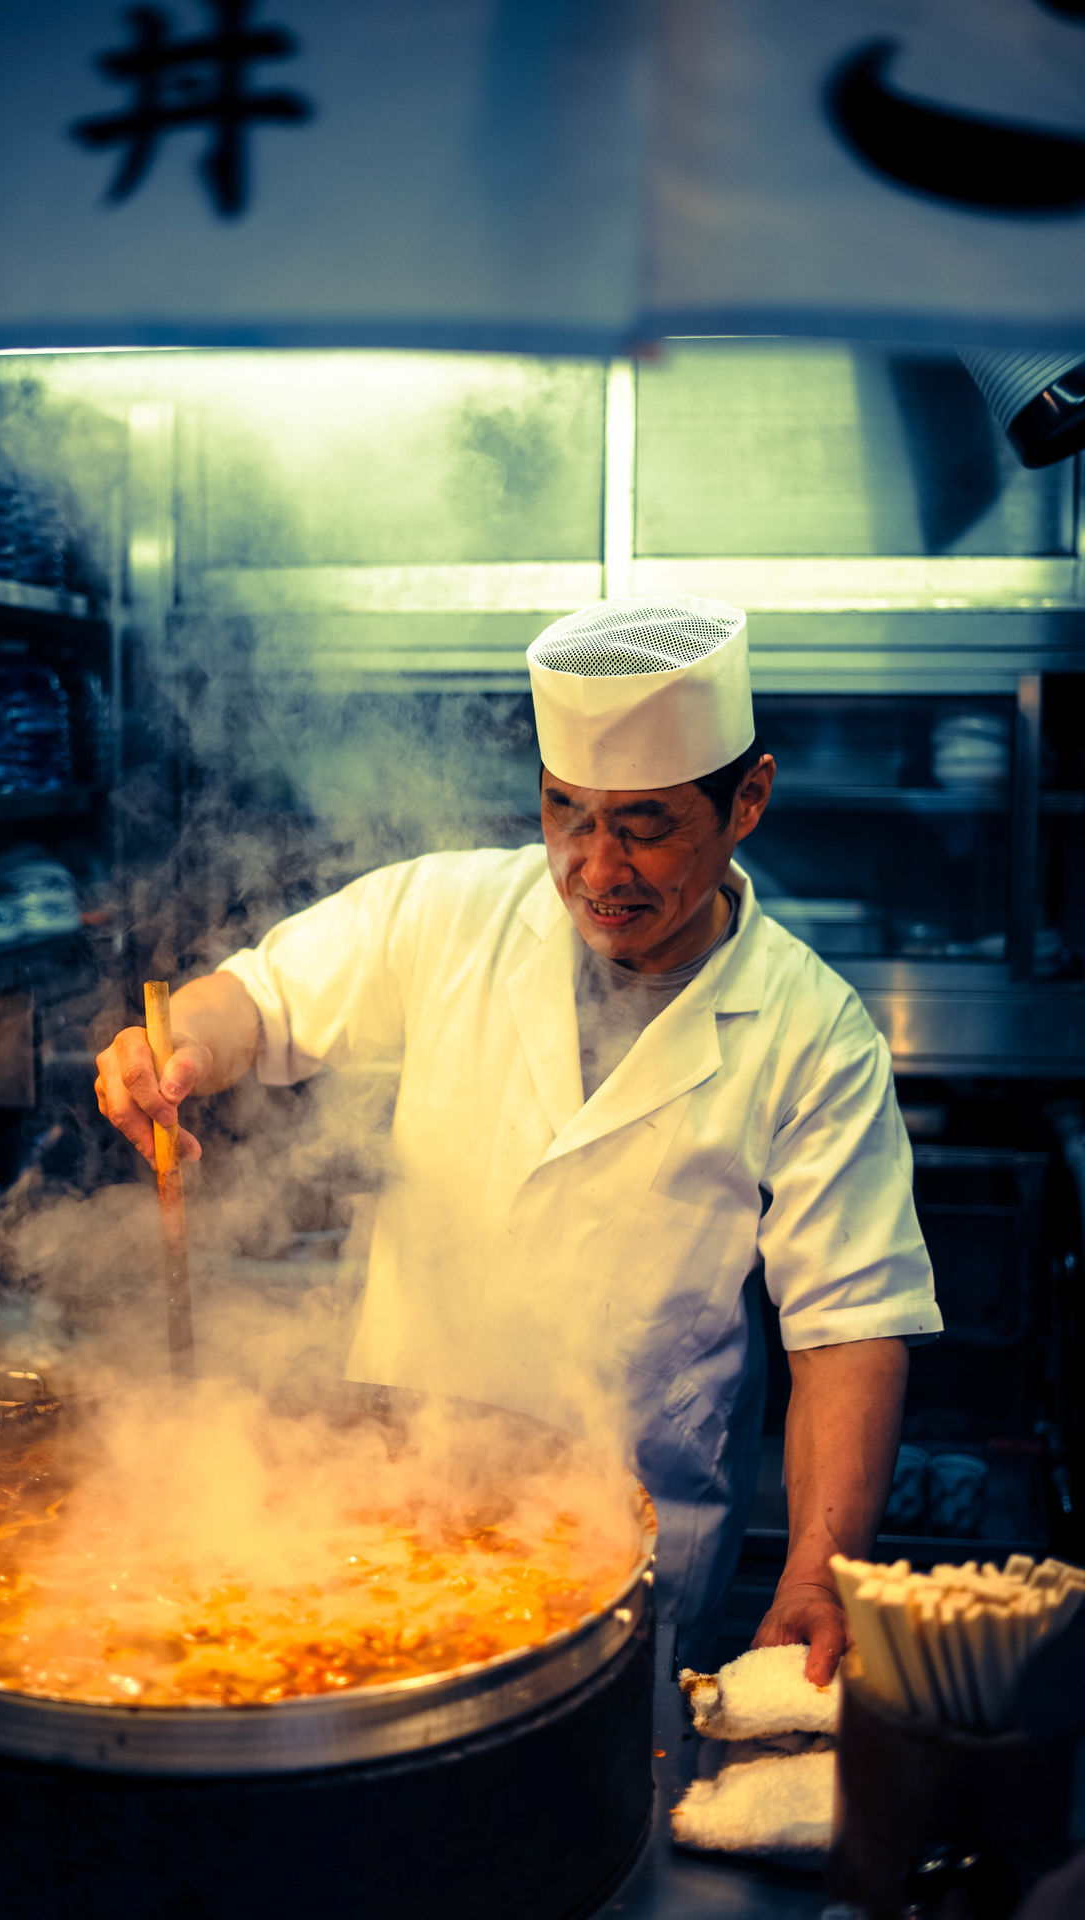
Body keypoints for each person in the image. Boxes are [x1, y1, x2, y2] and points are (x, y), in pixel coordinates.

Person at [97, 596, 941, 1679]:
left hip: (623, 1553)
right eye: (564, 812)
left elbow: (849, 1329)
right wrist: (174, 1054)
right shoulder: (450, 912)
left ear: (746, 801)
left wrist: (817, 1575)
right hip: (382, 1515)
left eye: (642, 824)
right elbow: (259, 1000)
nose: (595, 869)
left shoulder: (813, 1035)